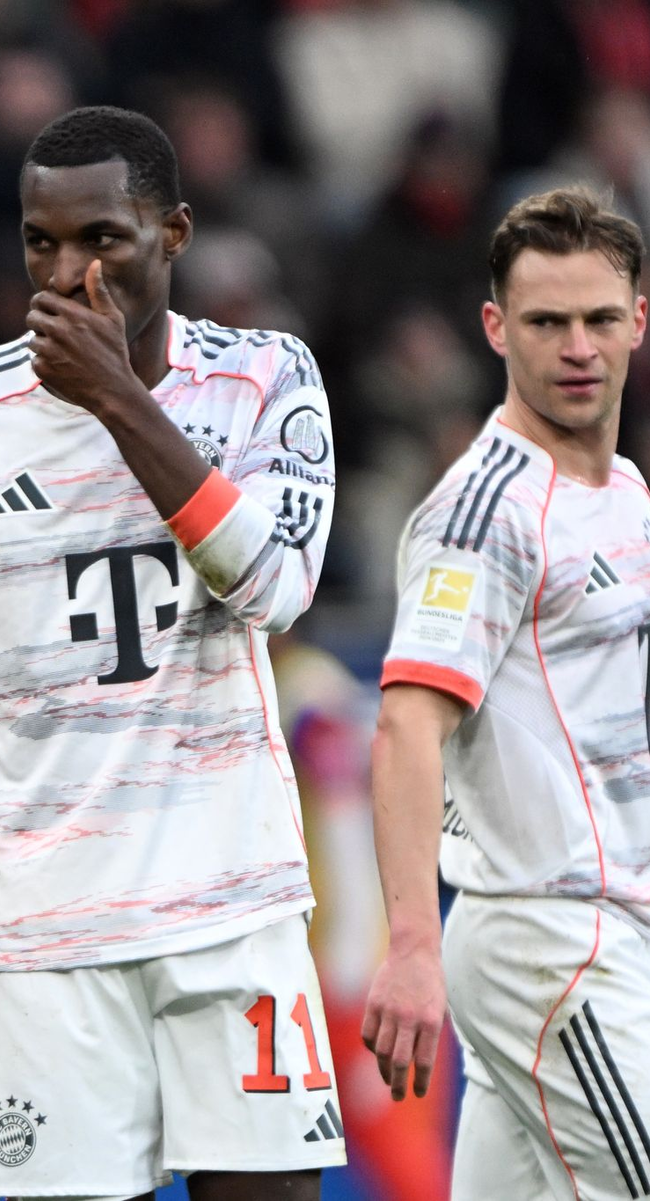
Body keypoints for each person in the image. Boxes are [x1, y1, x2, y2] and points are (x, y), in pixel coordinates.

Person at [0, 105, 344, 1201]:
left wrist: (118, 396)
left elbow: (275, 589)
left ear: (174, 232)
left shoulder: (266, 378)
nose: (69, 272)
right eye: (42, 242)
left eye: (103, 239)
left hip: (234, 906)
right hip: (45, 927)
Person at [362, 186, 650, 1199]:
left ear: (639, 320)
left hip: (608, 929)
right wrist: (410, 944)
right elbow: (407, 724)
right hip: (549, 941)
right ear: (495, 328)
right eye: (545, 322)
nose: (578, 347)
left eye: (600, 318)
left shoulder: (627, 494)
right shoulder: (484, 514)